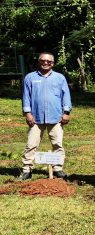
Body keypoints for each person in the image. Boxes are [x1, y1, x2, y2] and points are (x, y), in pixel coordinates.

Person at [20, 52, 72, 180]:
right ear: (39, 61)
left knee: (57, 144)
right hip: (36, 118)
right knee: (31, 144)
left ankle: (58, 168)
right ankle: (27, 169)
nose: (46, 63)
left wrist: (66, 112)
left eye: (49, 61)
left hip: (56, 117)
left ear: (53, 63)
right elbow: (26, 96)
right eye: (43, 60)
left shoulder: (60, 78)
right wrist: (27, 113)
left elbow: (66, 96)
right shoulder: (30, 78)